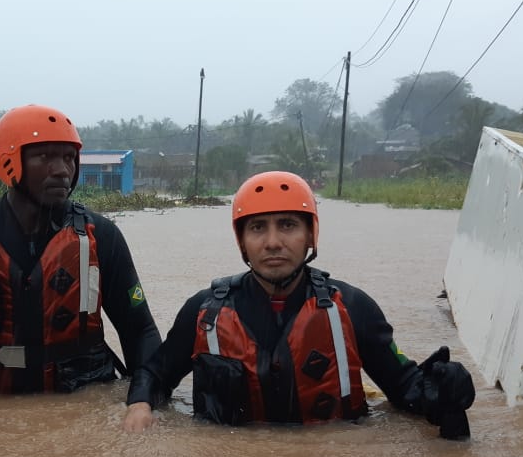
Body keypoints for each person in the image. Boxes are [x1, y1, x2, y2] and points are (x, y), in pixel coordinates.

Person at [123, 170, 475, 439]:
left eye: (288, 225)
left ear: (310, 235)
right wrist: (139, 406)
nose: (273, 242)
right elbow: (154, 374)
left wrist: (440, 389)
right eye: (258, 228)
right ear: (242, 242)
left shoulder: (353, 308)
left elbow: (405, 387)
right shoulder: (203, 313)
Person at [0, 104, 161, 403]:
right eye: (44, 156)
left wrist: (144, 401)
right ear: (10, 162)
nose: (62, 170)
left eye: (68, 157)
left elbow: (140, 331)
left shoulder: (102, 236)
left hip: (82, 399)